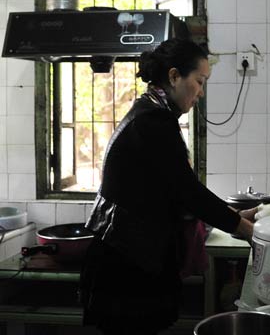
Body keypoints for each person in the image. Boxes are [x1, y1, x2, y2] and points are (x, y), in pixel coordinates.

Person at [79, 38, 256, 334]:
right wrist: (244, 229)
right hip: (126, 269)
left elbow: (173, 188)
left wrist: (234, 216)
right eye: (199, 81)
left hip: (130, 259)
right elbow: (187, 191)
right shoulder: (153, 122)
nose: (201, 92)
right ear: (174, 76)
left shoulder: (151, 112)